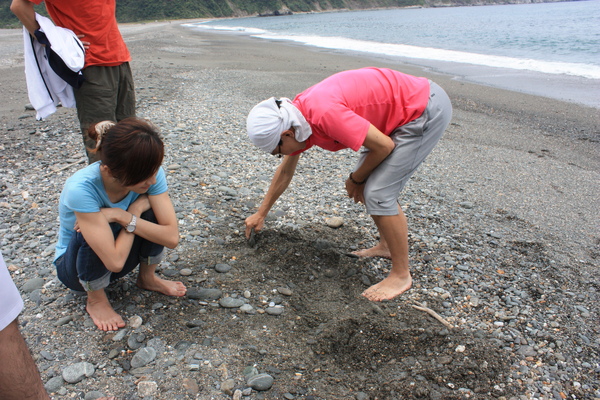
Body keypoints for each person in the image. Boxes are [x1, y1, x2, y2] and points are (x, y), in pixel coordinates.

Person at [245, 67, 452, 302]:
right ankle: (387, 246)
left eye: (276, 151)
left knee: (378, 192)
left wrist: (355, 179)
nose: (279, 156)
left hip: (422, 109)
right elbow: (285, 171)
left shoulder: (322, 114)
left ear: (287, 135)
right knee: (371, 185)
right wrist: (262, 213)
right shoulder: (295, 119)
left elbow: (384, 147)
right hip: (396, 112)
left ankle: (401, 274)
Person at [54, 117, 186, 332]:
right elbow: (114, 262)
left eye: (155, 171)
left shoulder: (150, 172)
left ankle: (147, 277)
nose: (152, 181)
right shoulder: (81, 188)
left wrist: (125, 215)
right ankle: (96, 300)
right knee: (86, 231)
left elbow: (171, 238)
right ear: (108, 171)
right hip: (78, 271)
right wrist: (132, 215)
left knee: (151, 211)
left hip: (120, 253)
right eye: (143, 177)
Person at [11, 0, 136, 163]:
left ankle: (132, 186)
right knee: (102, 142)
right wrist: (51, 39)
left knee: (130, 135)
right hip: (92, 64)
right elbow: (19, 6)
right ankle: (104, 188)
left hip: (120, 59)